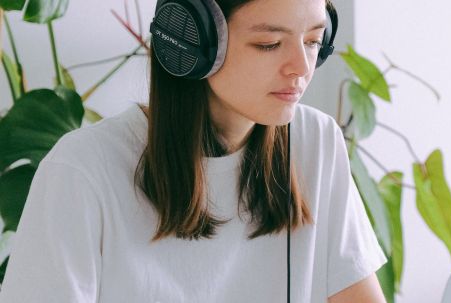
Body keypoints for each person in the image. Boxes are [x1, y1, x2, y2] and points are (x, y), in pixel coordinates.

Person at [0, 0, 387, 302]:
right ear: (191, 41)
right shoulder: (83, 170)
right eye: (269, 44)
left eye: (313, 41)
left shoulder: (316, 142)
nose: (300, 68)